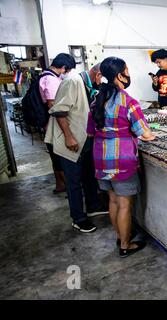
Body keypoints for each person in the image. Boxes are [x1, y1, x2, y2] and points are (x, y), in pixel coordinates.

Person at [89, 57, 155, 258]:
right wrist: (152, 134)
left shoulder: (96, 100)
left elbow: (91, 132)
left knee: (113, 200)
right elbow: (145, 134)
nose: (128, 74)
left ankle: (120, 235)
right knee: (125, 204)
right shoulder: (129, 102)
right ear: (119, 75)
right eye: (126, 70)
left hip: (101, 158)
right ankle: (125, 245)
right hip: (122, 160)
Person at [45, 64, 108, 233]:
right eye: (102, 78)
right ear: (98, 73)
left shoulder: (87, 85)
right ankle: (78, 218)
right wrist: (68, 136)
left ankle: (93, 205)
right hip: (71, 141)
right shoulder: (73, 81)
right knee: (74, 182)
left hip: (85, 139)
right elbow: (58, 111)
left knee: (89, 175)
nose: (101, 83)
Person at [39, 53, 76, 194]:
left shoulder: (45, 76)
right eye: (68, 70)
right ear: (63, 67)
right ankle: (69, 188)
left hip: (48, 125)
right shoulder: (51, 80)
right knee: (61, 159)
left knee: (55, 158)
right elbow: (54, 106)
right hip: (54, 126)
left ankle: (60, 185)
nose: (67, 73)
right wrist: (68, 134)